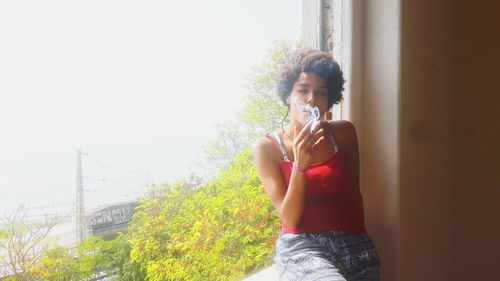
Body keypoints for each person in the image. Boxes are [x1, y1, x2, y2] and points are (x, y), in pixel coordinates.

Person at [251, 48, 380, 280]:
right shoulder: (267, 147)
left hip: (353, 243)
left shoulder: (344, 133)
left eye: (321, 92)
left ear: (329, 99)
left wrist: (363, 246)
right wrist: (300, 164)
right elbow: (290, 218)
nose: (311, 99)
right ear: (287, 96)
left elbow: (353, 196)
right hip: (304, 248)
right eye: (302, 90)